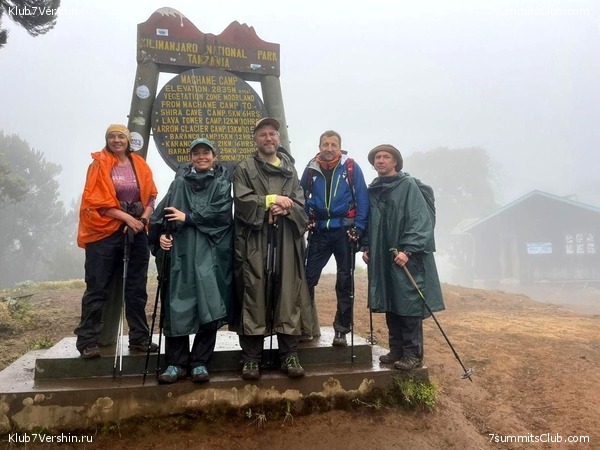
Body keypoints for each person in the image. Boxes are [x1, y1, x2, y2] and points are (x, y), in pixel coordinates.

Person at [148, 138, 234, 384]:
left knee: (209, 304)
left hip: (210, 254)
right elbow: (161, 215)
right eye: (196, 153)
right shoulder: (178, 183)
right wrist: (161, 236)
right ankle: (175, 363)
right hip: (181, 255)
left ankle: (200, 362)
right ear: (191, 157)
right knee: (177, 306)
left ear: (214, 156)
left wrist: (188, 217)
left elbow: (221, 215)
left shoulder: (221, 183)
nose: (201, 157)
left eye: (206, 152)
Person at [232, 117, 311, 380]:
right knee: (254, 293)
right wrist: (270, 200)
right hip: (255, 241)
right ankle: (251, 358)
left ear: (279, 138)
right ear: (255, 139)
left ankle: (289, 354)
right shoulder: (245, 168)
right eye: (263, 134)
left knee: (288, 294)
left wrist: (287, 208)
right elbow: (241, 200)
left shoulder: (290, 168)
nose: (269, 138)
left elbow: (300, 202)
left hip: (286, 240)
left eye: (273, 134)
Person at [75, 124, 158, 358]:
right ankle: (87, 341)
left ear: (128, 140)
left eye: (121, 136)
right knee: (97, 287)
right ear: (107, 140)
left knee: (136, 287)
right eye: (111, 136)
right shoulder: (98, 164)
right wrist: (127, 219)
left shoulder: (139, 164)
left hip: (137, 230)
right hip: (103, 233)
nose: (116, 140)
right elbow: (96, 201)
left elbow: (151, 197)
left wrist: (141, 220)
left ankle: (139, 338)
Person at [362, 144, 444, 370]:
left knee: (408, 303)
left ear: (395, 161)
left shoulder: (407, 185)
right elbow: (369, 220)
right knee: (390, 300)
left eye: (386, 157)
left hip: (406, 257)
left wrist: (408, 250)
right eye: (377, 158)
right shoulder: (374, 189)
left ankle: (413, 354)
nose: (380, 160)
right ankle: (396, 349)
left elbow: (419, 219)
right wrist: (367, 246)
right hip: (383, 255)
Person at [300, 130, 369, 346]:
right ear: (319, 146)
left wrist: (359, 227)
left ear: (339, 147)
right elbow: (301, 196)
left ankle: (341, 331)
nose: (329, 149)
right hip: (319, 230)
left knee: (345, 282)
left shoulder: (350, 167)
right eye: (325, 144)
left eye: (333, 145)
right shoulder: (311, 168)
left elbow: (362, 198)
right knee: (306, 278)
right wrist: (305, 219)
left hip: (344, 231)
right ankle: (303, 327)